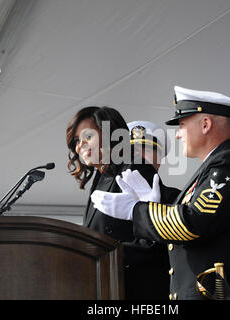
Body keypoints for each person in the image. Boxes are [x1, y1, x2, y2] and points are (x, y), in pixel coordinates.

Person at [91, 86, 230, 300]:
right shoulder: (214, 168)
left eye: (183, 125)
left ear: (205, 125)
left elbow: (191, 223)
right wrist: (156, 207)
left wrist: (137, 210)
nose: (177, 135)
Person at [66, 106, 171, 300]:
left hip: (138, 290)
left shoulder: (133, 168)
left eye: (88, 136)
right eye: (76, 141)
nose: (80, 146)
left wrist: (106, 257)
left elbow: (156, 238)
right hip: (107, 287)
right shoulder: (100, 178)